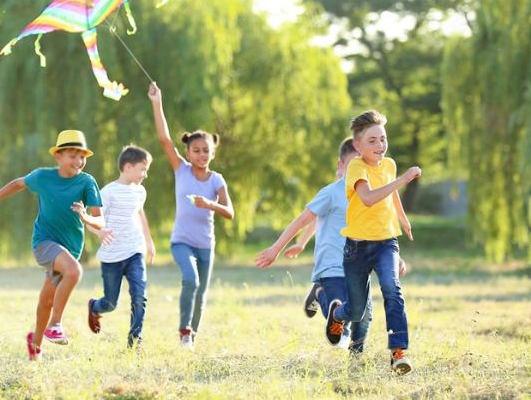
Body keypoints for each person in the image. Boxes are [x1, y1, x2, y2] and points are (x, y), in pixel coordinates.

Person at [255, 137, 406, 353]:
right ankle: (322, 297)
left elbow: (382, 229)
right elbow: (303, 220)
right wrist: (276, 249)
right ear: (341, 166)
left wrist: (395, 257)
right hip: (333, 265)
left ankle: (355, 358)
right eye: (353, 164)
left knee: (363, 316)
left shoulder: (371, 196)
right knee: (339, 305)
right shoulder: (332, 193)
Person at [0, 130, 105, 361]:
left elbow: (100, 218)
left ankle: (34, 346)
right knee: (74, 271)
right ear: (58, 157)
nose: (78, 161)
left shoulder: (87, 181)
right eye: (72, 156)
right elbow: (17, 184)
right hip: (44, 242)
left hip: (70, 248)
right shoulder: (43, 177)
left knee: (46, 299)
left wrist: (86, 218)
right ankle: (55, 324)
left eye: (82, 156)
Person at [324, 110, 421, 374]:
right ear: (358, 145)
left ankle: (398, 352)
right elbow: (367, 198)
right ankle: (338, 316)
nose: (380, 146)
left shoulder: (389, 165)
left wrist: (402, 218)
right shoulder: (355, 167)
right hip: (357, 248)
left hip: (386, 242)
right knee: (356, 311)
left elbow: (392, 194)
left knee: (392, 288)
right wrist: (403, 180)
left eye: (383, 139)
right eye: (372, 141)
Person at [147, 82, 234, 350]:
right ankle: (184, 329)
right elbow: (164, 139)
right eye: (196, 150)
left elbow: (229, 212)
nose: (201, 155)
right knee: (191, 280)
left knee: (202, 294)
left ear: (213, 152)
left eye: (206, 150)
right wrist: (157, 102)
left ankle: (191, 336)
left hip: (206, 243)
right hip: (181, 241)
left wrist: (209, 204)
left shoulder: (217, 180)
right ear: (188, 153)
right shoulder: (181, 170)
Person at [86, 145, 156, 347]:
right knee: (110, 303)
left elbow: (140, 213)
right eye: (143, 169)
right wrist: (99, 232)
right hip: (112, 257)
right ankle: (95, 307)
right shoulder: (107, 193)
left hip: (135, 250)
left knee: (139, 296)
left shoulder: (140, 191)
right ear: (127, 167)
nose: (146, 174)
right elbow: (92, 219)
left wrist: (149, 241)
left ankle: (135, 340)